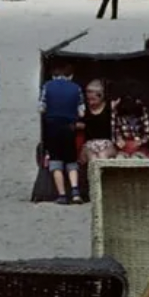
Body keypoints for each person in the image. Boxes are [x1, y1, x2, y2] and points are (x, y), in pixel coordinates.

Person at [38, 66, 84, 203]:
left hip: (52, 127)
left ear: (53, 76)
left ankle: (62, 195)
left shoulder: (47, 86)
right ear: (71, 76)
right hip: (70, 127)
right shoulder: (76, 88)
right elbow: (82, 112)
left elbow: (41, 108)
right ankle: (75, 192)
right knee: (71, 159)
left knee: (55, 160)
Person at [78, 80, 117, 165]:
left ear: (101, 96)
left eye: (93, 99)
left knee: (103, 156)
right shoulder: (84, 109)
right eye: (88, 99)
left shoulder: (110, 106)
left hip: (106, 144)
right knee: (93, 159)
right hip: (89, 144)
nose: (90, 102)